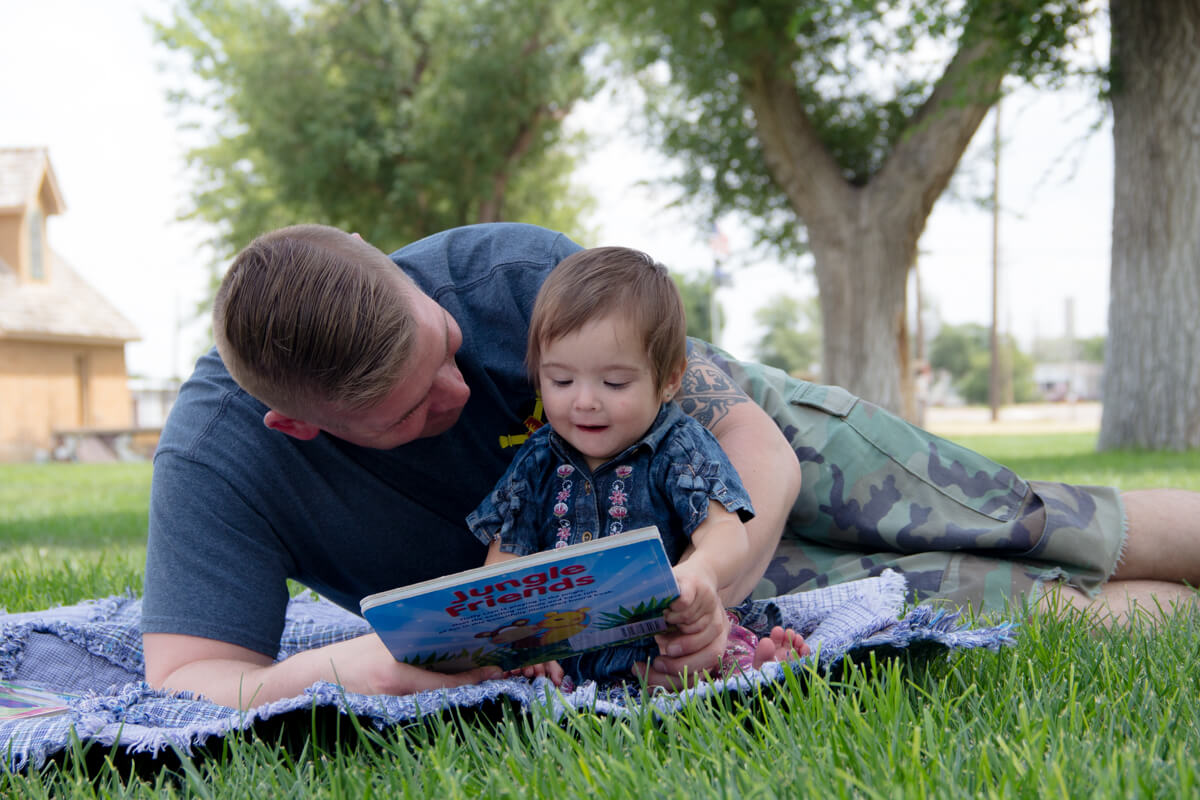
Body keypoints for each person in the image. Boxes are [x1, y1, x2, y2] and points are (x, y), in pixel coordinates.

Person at [143, 222, 1200, 710]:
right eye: (412, 409)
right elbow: (190, 679)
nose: (459, 393)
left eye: (446, 349)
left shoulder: (504, 276)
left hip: (748, 468)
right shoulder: (216, 464)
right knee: (1023, 604)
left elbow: (757, 456)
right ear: (298, 426)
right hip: (637, 587)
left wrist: (706, 577)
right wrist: (364, 667)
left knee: (1039, 521)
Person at [467, 246, 810, 685]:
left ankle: (753, 666)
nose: (585, 401)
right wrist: (519, 636)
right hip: (565, 643)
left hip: (659, 635)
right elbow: (507, 552)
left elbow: (725, 530)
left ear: (668, 379)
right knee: (511, 677)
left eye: (614, 383)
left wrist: (700, 570)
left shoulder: (678, 447)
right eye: (561, 380)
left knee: (704, 648)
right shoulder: (538, 460)